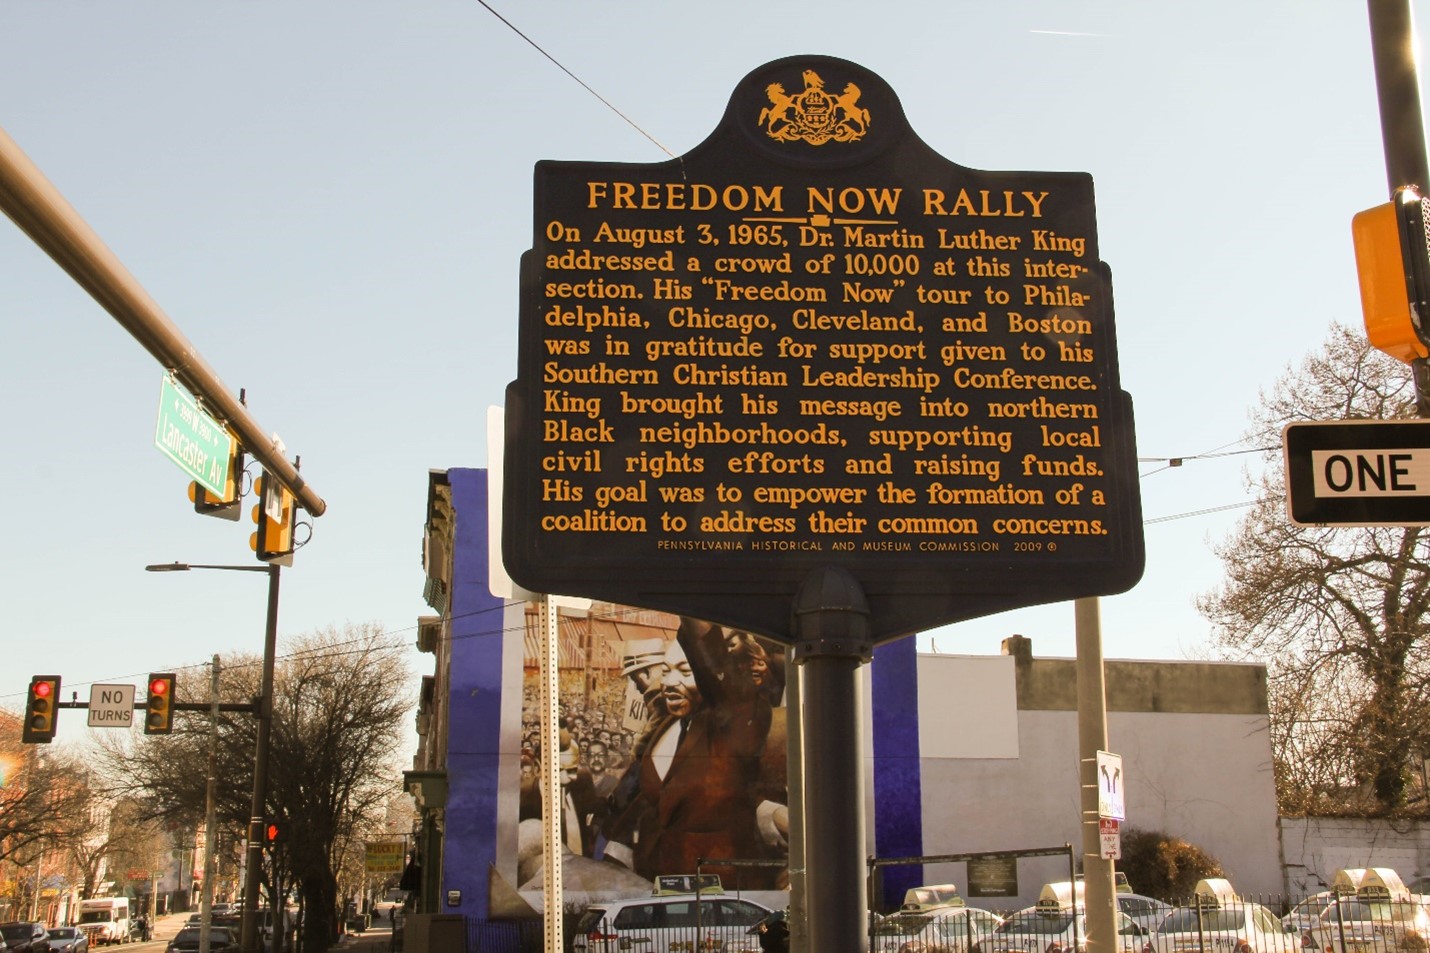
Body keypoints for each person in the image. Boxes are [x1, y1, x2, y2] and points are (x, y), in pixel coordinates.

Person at [630, 616, 777, 888]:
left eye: (685, 672)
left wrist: (691, 606)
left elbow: (715, 666)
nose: (671, 682)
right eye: (665, 671)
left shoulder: (736, 718)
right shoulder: (664, 727)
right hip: (662, 890)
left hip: (723, 894)